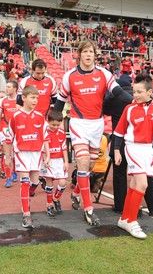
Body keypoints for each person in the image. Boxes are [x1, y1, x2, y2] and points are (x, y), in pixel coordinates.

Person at [53, 41, 132, 226]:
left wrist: (136, 103)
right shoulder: (69, 76)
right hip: (78, 124)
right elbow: (60, 101)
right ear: (79, 54)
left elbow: (119, 93)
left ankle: (76, 193)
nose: (89, 55)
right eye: (85, 52)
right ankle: (88, 210)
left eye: (91, 52)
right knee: (83, 162)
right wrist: (52, 124)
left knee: (91, 167)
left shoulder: (104, 74)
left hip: (97, 126)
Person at [113, 73, 153, 239]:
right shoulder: (129, 109)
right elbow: (119, 131)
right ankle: (132, 221)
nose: (135, 95)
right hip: (132, 148)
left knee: (135, 184)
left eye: (138, 92)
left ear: (150, 92)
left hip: (148, 150)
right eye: (134, 92)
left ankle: (124, 219)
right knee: (143, 184)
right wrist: (116, 150)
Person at [4, 85, 50, 228]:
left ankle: (27, 196)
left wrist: (47, 155)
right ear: (23, 98)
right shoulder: (15, 117)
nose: (35, 100)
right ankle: (26, 214)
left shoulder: (40, 117)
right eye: (32, 97)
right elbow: (8, 138)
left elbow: (45, 137)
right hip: (21, 152)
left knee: (34, 183)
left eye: (37, 98)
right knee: (24, 181)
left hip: (36, 153)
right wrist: (7, 156)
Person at [39, 110, 68, 217]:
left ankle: (56, 198)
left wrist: (66, 162)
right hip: (49, 161)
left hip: (60, 161)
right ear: (48, 121)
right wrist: (45, 160)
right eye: (53, 124)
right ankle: (49, 204)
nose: (55, 127)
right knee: (49, 183)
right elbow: (42, 149)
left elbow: (64, 148)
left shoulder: (61, 133)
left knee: (62, 183)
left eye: (58, 124)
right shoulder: (44, 132)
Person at [0, 80, 19, 188]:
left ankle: (15, 172)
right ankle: (8, 178)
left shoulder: (21, 100)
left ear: (15, 89)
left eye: (9, 87)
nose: (6, 88)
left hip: (19, 130)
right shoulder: (2, 101)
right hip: (7, 130)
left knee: (16, 153)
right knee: (6, 153)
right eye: (6, 86)